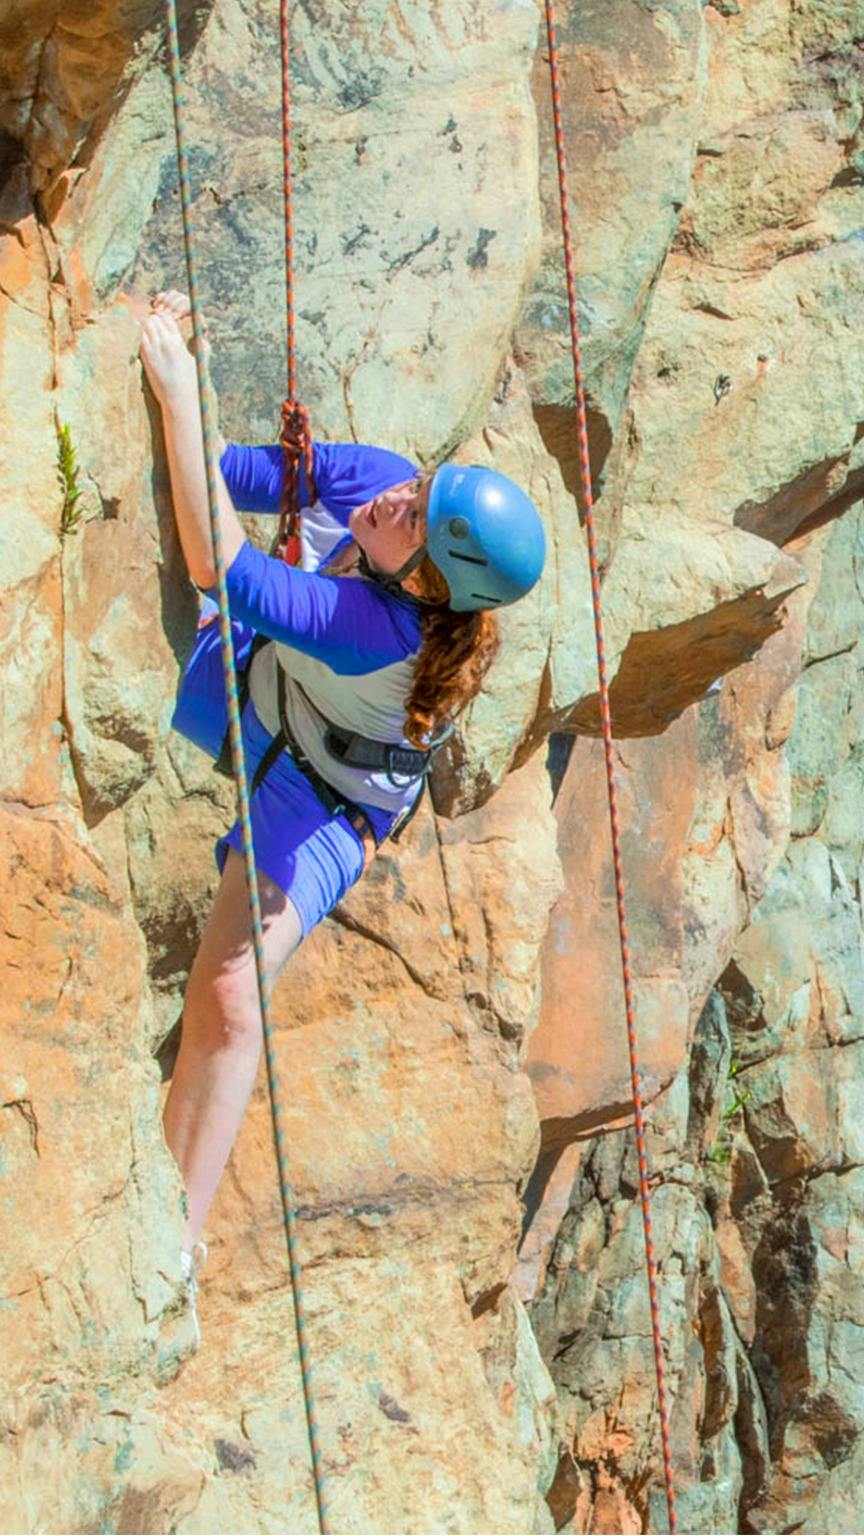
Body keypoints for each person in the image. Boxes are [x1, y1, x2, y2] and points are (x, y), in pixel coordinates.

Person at [137, 290, 546, 1338]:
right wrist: (164, 382)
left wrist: (179, 381)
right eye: (421, 488)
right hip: (270, 694)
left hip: (331, 805)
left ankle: (167, 1243)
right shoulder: (376, 485)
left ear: (428, 586)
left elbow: (217, 563)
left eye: (417, 518)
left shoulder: (381, 629)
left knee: (231, 996)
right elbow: (228, 477)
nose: (397, 499)